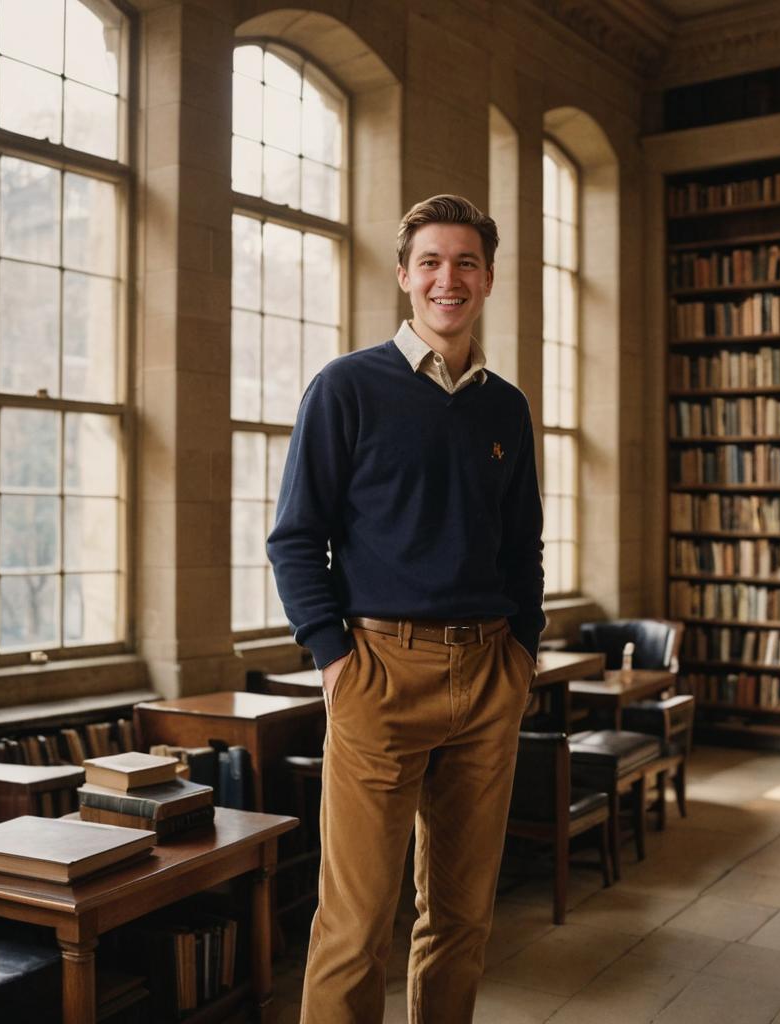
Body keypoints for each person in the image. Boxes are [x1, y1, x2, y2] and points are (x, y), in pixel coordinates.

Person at [267, 194, 544, 1023]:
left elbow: (520, 546)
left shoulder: (506, 407)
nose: (446, 278)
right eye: (430, 261)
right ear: (403, 276)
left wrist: (522, 655)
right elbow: (294, 539)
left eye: (465, 262)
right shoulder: (347, 388)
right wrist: (336, 661)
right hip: (379, 674)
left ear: (488, 278)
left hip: (489, 674)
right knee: (354, 928)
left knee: (461, 921)